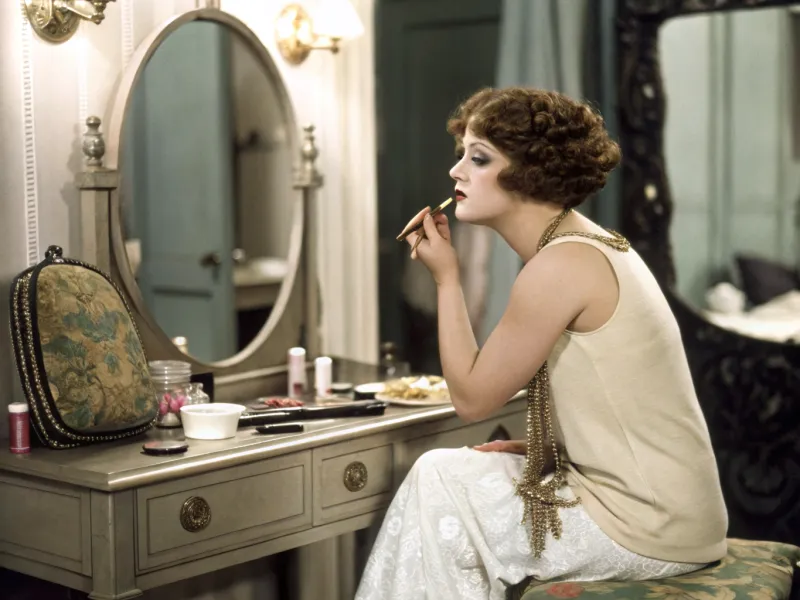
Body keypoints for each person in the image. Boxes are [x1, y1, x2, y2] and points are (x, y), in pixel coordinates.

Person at [354, 87, 728, 600]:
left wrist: (447, 281)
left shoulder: (559, 266)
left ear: (530, 173)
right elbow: (617, 400)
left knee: (441, 482)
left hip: (649, 525)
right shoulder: (583, 244)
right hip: (668, 508)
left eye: (478, 157)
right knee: (448, 471)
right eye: (460, 153)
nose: (455, 171)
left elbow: (471, 399)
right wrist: (543, 449)